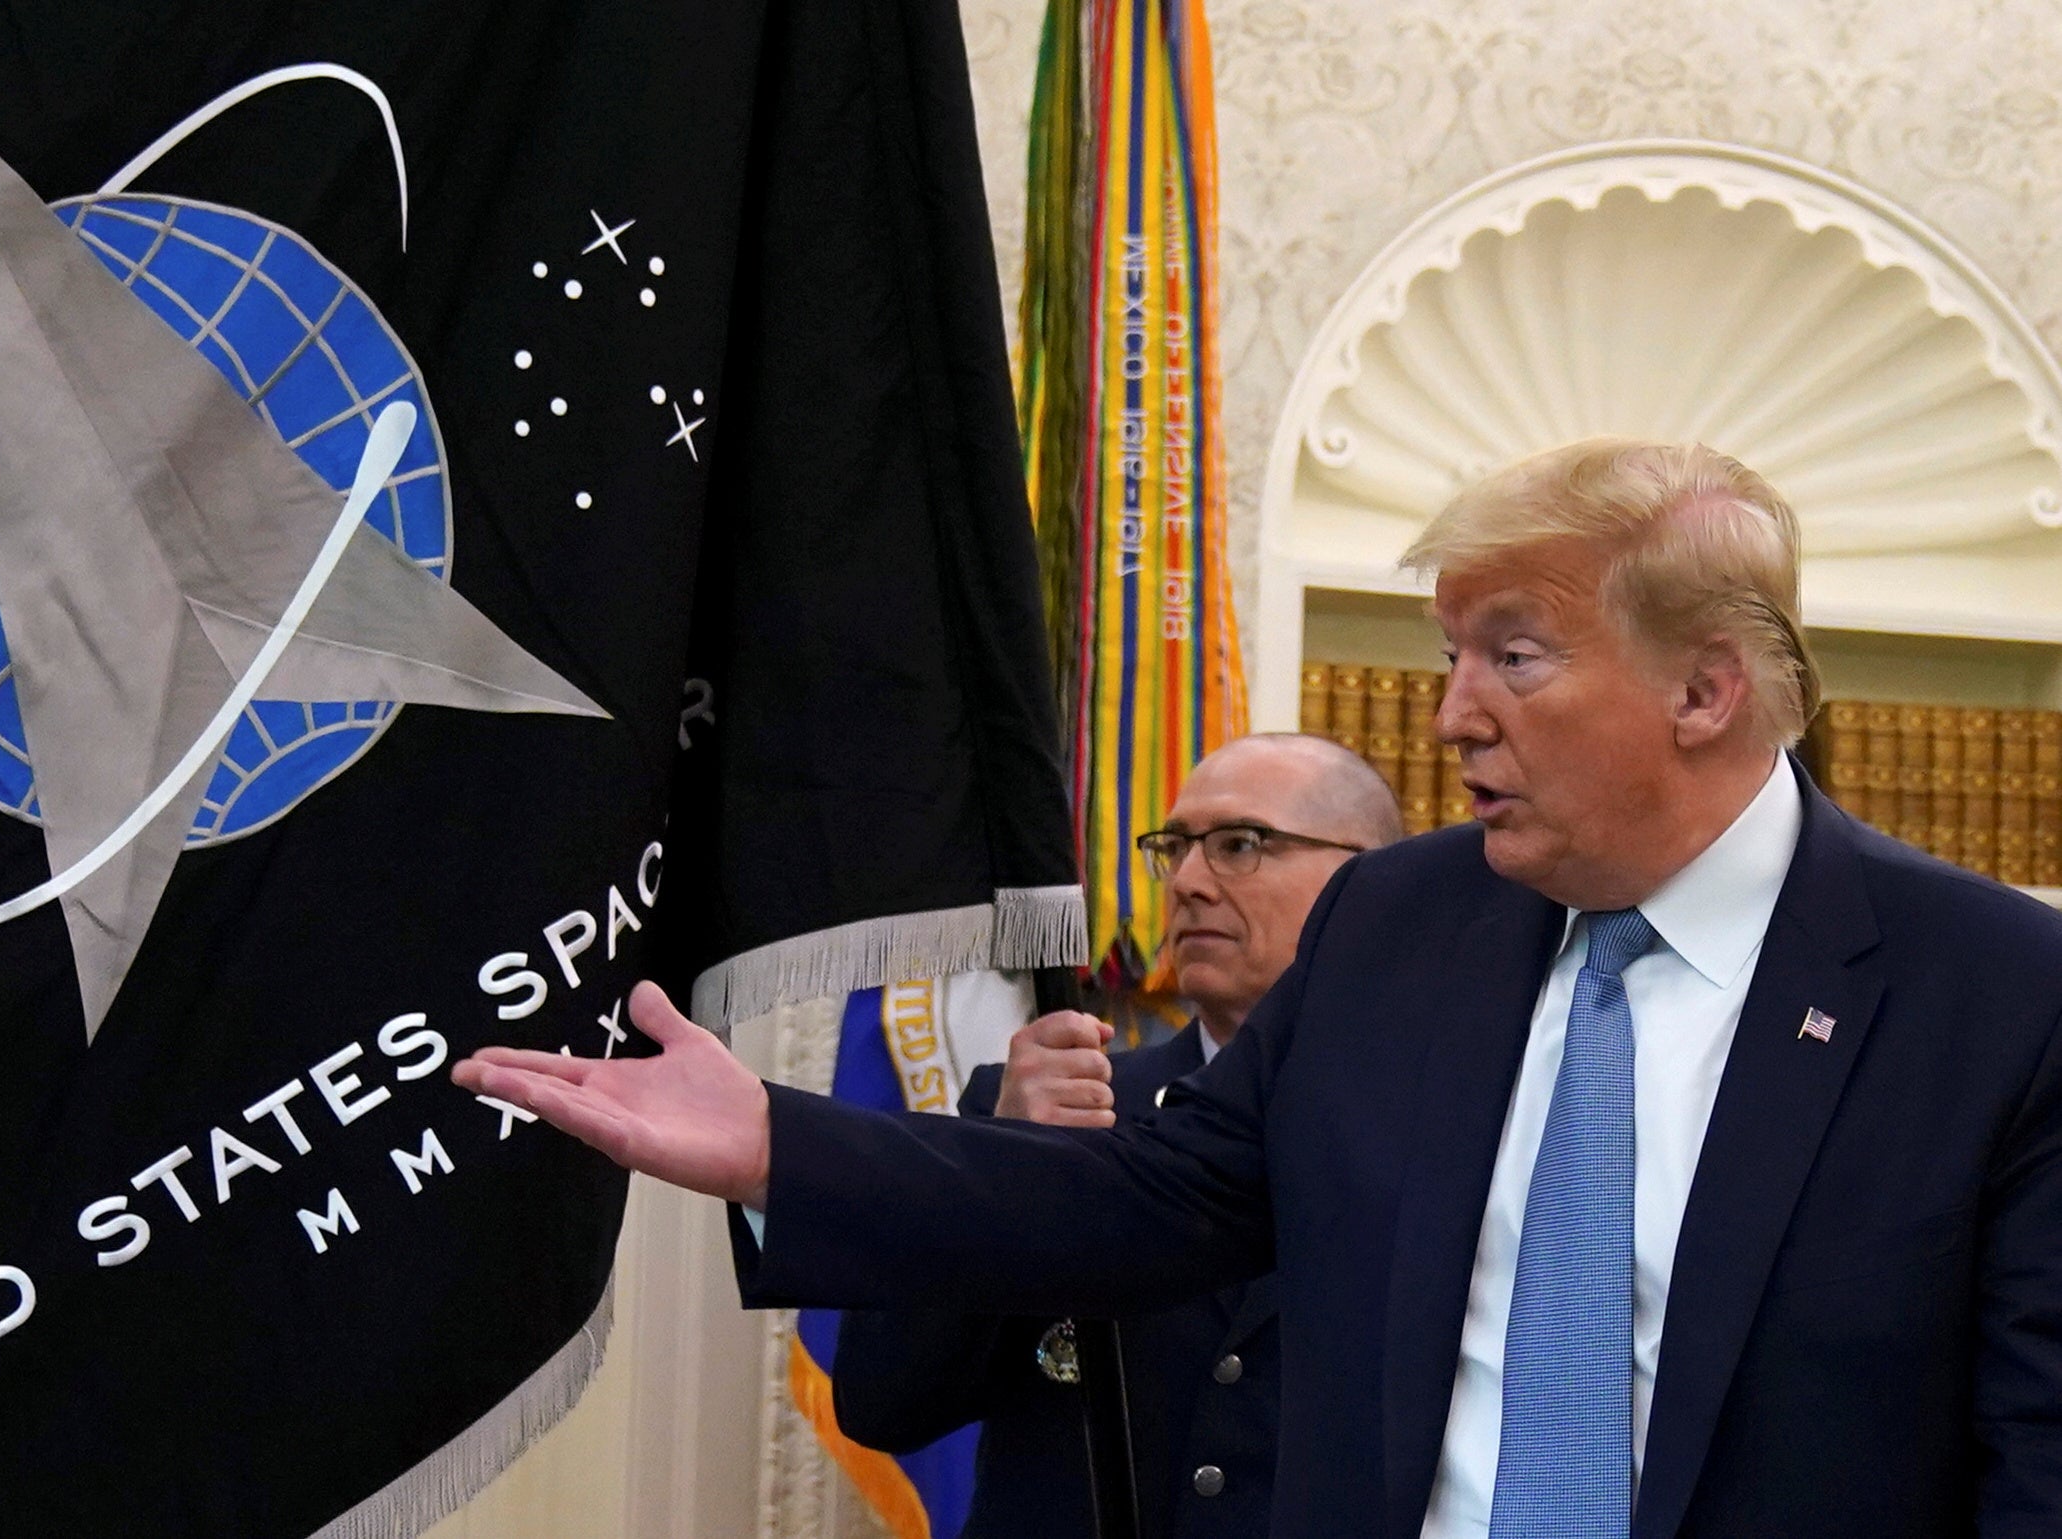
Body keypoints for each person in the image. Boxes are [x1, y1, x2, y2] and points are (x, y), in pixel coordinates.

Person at [457, 439, 2062, 1538]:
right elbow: (1146, 1197)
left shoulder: (1995, 995)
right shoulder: (1400, 926)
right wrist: (778, 1145)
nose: (1448, 719)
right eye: (1447, 658)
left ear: (1704, 687)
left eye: (1509, 653)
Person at [831, 734, 1403, 1539]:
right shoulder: (1050, 1108)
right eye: (1175, 849)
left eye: (1241, 845)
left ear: (1368, 883)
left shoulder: (1448, 1128)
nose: (1191, 883)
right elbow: (883, 1401)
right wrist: (1003, 1167)